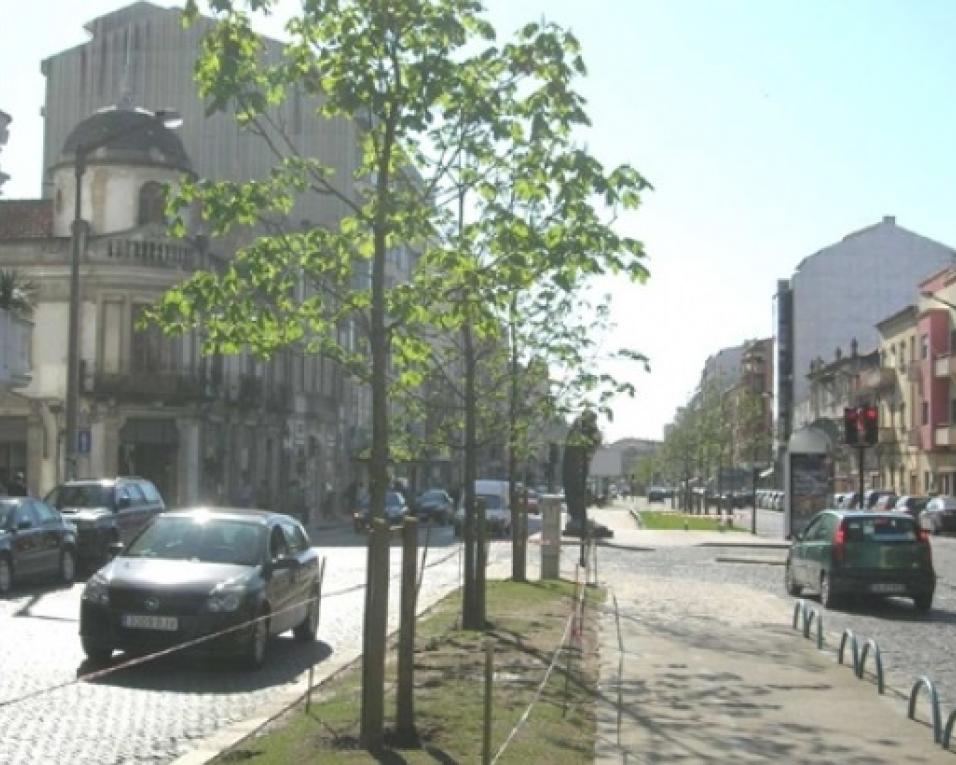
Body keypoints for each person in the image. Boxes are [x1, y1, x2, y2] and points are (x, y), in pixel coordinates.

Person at [562, 410, 603, 563]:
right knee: (574, 489)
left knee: (577, 488)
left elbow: (594, 441)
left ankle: (580, 519)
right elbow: (593, 440)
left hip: (577, 468)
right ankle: (578, 520)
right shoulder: (579, 429)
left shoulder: (581, 429)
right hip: (574, 469)